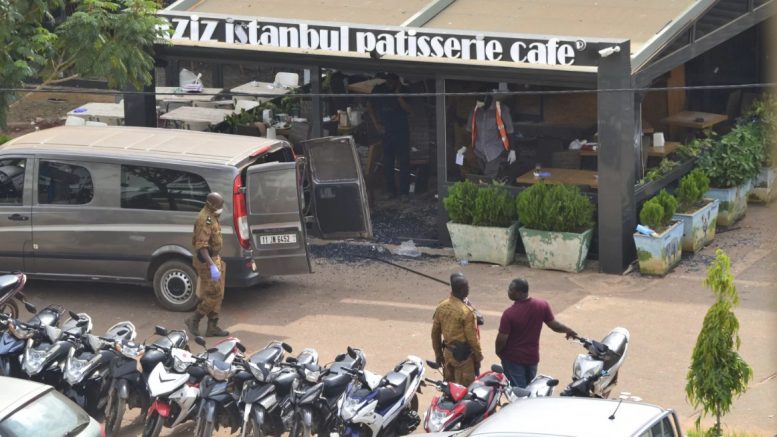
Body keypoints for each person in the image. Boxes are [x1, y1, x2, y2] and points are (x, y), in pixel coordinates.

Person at [495, 278, 577, 388]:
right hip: (532, 358)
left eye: (510, 289)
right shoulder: (542, 305)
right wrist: (569, 330)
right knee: (531, 390)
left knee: (518, 393)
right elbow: (554, 325)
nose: (508, 291)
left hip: (513, 359)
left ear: (519, 293)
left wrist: (499, 353)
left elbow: (501, 339)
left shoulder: (509, 314)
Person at [184, 192, 229, 337]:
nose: (221, 208)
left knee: (218, 293)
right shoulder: (206, 219)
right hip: (206, 261)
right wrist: (211, 265)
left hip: (214, 259)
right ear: (212, 205)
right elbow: (201, 246)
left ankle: (212, 326)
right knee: (214, 294)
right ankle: (194, 319)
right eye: (220, 206)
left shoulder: (212, 215)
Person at [431, 273, 483, 387]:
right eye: (467, 288)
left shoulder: (441, 306)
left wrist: (438, 355)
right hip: (463, 359)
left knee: (449, 389)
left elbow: (435, 334)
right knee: (465, 391)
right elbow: (472, 339)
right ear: (461, 290)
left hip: (448, 355)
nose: (468, 290)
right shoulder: (466, 312)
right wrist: (478, 357)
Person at [368, 73, 412, 199]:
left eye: (392, 79)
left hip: (401, 130)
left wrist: (399, 97)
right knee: (388, 161)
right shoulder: (379, 89)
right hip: (386, 130)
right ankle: (390, 190)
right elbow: (370, 106)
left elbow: (409, 110)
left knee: (404, 162)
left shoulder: (404, 89)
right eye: (388, 79)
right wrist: (376, 124)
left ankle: (404, 192)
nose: (390, 82)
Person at [462, 93, 516, 178]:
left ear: (487, 101)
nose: (479, 105)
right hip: (479, 151)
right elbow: (469, 131)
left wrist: (512, 150)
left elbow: (510, 131)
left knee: (489, 178)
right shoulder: (475, 111)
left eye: (481, 102)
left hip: (494, 150)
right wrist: (464, 147)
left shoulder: (501, 110)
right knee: (482, 177)